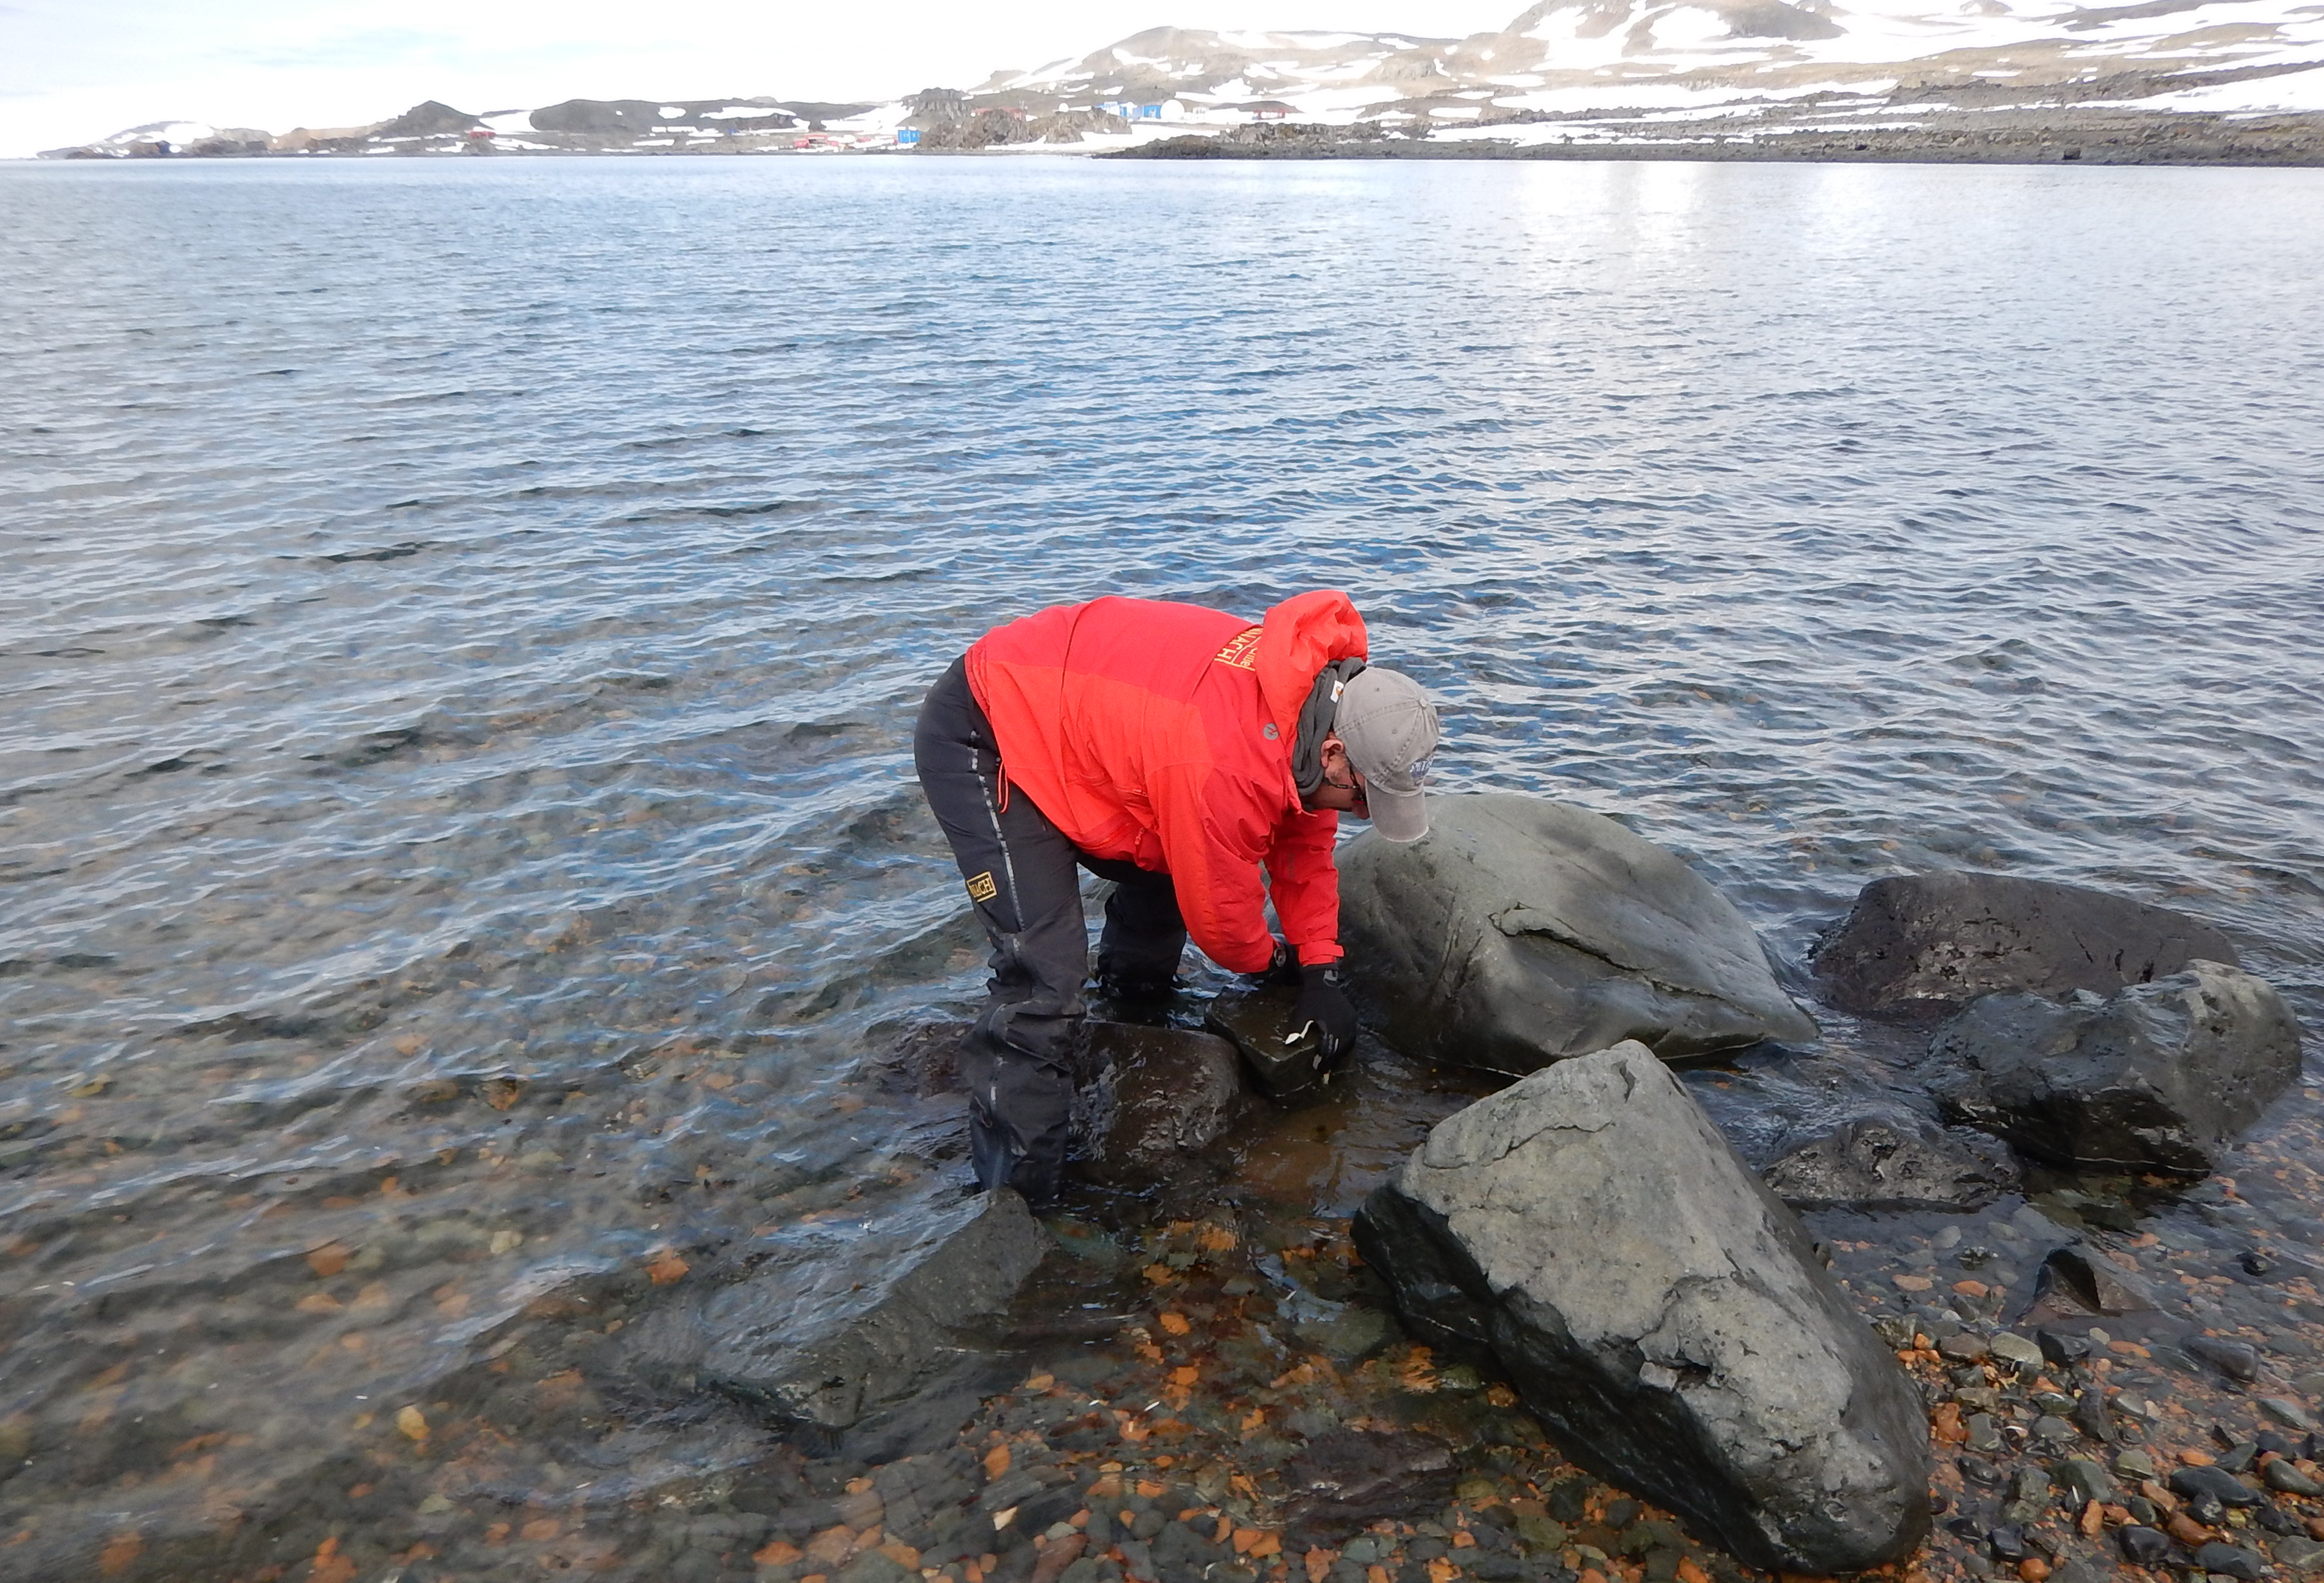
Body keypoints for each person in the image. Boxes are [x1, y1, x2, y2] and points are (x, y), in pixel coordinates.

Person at [912, 590, 1440, 1203]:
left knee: (1170, 854)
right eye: (1361, 801)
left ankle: (1133, 1008)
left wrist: (1318, 964)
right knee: (1042, 984)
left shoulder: (1311, 712)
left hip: (1098, 721)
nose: (1357, 814)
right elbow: (1218, 921)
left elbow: (1303, 847)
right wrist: (1273, 962)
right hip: (989, 727)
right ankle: (1018, 1204)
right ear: (1333, 755)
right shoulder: (1226, 764)